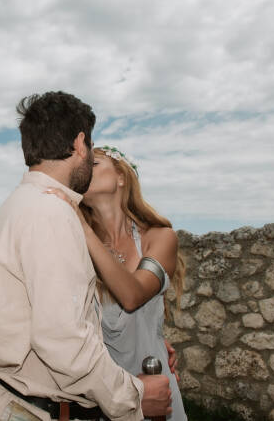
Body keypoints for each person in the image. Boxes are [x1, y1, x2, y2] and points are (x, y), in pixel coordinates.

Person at [0, 92, 172, 421]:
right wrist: (132, 398)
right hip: (33, 409)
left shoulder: (22, 203)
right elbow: (62, 340)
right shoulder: (51, 213)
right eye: (91, 148)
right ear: (80, 143)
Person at [46, 146, 187, 420]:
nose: (83, 170)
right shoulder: (74, 246)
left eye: (94, 163)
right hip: (103, 396)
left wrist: (84, 231)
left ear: (122, 177)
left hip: (156, 392)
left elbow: (132, 296)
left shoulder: (160, 238)